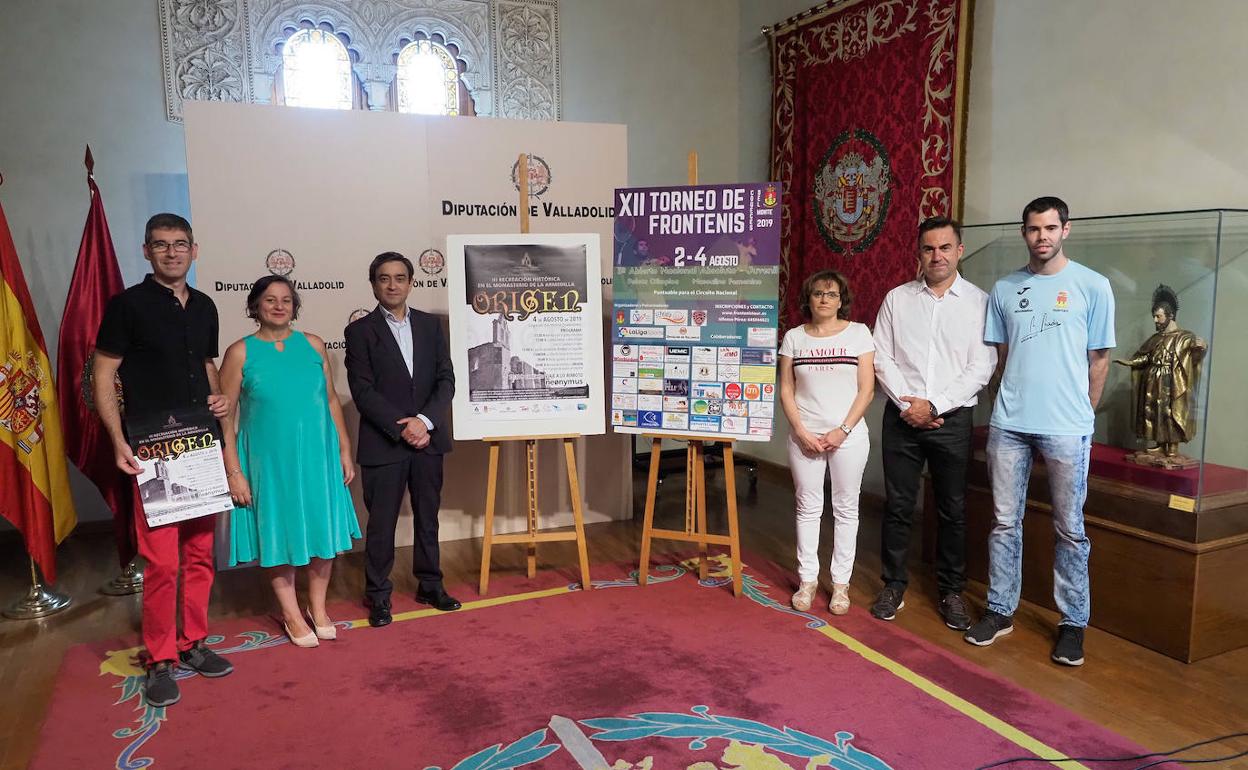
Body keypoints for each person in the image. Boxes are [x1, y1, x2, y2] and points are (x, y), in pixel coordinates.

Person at [965, 196, 1115, 667]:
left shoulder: (1093, 286)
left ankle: (1072, 623)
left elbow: (1099, 360)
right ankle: (1000, 609)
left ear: (1065, 230)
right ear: (1023, 232)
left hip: (1068, 429)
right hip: (1010, 426)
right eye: (1034, 229)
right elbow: (1001, 359)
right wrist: (1002, 404)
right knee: (1005, 523)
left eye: (1051, 228)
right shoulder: (1006, 288)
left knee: (1070, 529)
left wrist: (1084, 417)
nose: (1042, 236)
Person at [93, 213, 235, 708]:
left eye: (180, 245)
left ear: (194, 250)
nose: (172, 252)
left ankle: (193, 642)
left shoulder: (206, 306)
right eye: (161, 245)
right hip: (152, 448)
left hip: (200, 443)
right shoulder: (126, 305)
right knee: (161, 562)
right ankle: (159, 657)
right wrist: (117, 440)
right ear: (146, 251)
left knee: (200, 555)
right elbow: (103, 372)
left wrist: (220, 401)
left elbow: (205, 366)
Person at [217, 276, 361, 647]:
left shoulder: (313, 345)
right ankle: (291, 613)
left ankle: (317, 607)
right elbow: (224, 417)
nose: (279, 306)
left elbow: (330, 400)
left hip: (318, 455)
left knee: (322, 532)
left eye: (286, 300)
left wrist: (344, 448)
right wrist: (234, 471)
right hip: (268, 462)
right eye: (270, 300)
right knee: (278, 534)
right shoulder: (240, 353)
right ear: (254, 307)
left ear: (294, 306)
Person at [871, 217, 996, 631]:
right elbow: (881, 356)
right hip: (902, 416)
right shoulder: (897, 299)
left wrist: (934, 404)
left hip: (953, 419)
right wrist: (910, 405)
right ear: (919, 253)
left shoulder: (979, 302)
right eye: (929, 249)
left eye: (945, 248)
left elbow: (983, 365)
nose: (937, 256)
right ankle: (893, 584)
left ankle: (952, 590)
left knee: (953, 509)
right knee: (899, 506)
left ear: (959, 251)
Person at [345, 251, 458, 627]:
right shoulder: (359, 332)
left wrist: (424, 422)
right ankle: (378, 595)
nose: (392, 284)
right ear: (374, 284)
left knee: (428, 518)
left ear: (411, 282)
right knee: (381, 524)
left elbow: (446, 380)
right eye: (383, 278)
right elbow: (363, 391)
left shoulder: (430, 325)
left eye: (399, 278)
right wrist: (403, 427)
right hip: (385, 443)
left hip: (428, 440)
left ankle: (430, 584)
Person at [778, 270, 875, 615]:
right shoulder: (793, 338)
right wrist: (801, 431)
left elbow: (867, 389)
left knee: (846, 508)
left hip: (847, 436)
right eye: (818, 293)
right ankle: (807, 580)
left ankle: (841, 585)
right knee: (808, 507)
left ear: (841, 299)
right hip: (804, 436)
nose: (824, 299)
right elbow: (786, 388)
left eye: (831, 294)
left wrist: (842, 430)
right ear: (809, 298)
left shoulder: (859, 334)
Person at [1114, 284, 1206, 464]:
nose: (1155, 320)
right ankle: (1159, 443)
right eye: (1154, 316)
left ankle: (1172, 447)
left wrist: (1201, 349)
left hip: (1173, 382)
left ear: (1170, 316)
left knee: (1170, 412)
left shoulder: (1185, 337)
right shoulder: (1155, 339)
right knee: (1155, 413)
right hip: (1154, 381)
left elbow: (1193, 358)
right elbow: (1146, 358)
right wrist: (1131, 362)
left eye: (1158, 316)